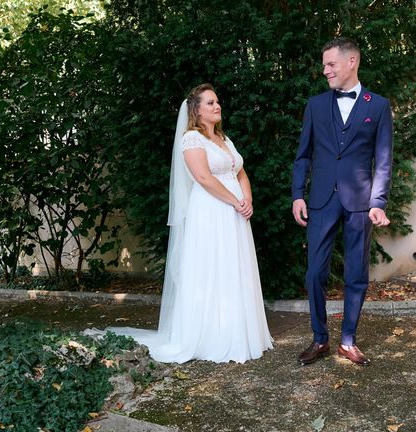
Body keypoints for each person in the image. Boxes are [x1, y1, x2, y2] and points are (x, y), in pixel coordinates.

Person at [105, 83, 273, 363]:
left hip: (234, 210)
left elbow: (240, 171)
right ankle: (212, 336)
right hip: (211, 210)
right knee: (212, 267)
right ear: (196, 110)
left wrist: (247, 199)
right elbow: (204, 178)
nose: (217, 106)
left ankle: (239, 330)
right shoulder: (191, 140)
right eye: (210, 103)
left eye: (217, 101)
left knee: (234, 266)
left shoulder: (224, 139)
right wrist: (234, 201)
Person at [291, 37, 393, 366]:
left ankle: (348, 340)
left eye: (331, 64)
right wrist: (297, 195)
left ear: (352, 62)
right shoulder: (315, 105)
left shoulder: (378, 106)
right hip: (320, 200)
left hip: (360, 203)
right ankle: (320, 338)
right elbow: (302, 155)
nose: (325, 71)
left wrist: (378, 201)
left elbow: (384, 159)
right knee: (314, 273)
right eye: (324, 66)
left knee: (356, 274)